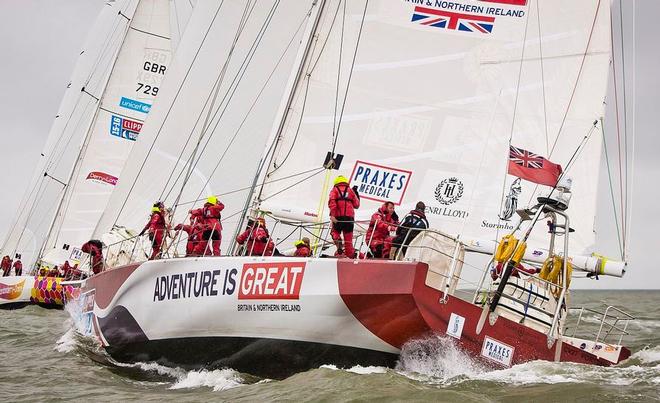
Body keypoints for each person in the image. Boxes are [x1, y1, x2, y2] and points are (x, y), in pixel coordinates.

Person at [328, 176, 360, 258]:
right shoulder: (350, 191)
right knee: (348, 240)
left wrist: (332, 215)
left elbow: (332, 203)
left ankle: (338, 241)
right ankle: (350, 256)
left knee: (334, 232)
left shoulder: (334, 190)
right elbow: (356, 205)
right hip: (349, 219)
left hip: (338, 217)